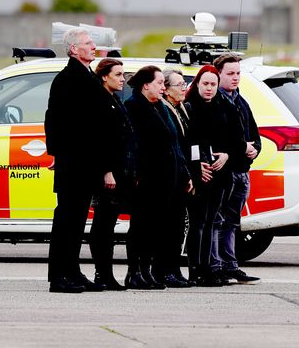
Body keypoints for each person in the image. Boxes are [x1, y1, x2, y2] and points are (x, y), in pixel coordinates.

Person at [44, 28, 110, 294]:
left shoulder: (86, 76)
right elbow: (55, 121)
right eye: (88, 43)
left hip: (85, 163)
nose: (94, 46)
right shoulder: (68, 79)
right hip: (74, 164)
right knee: (67, 222)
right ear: (73, 49)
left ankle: (73, 271)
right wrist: (59, 155)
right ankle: (59, 277)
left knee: (76, 222)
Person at [124, 65, 193, 290]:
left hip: (166, 179)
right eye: (159, 83)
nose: (163, 87)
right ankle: (135, 272)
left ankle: (147, 270)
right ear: (146, 85)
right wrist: (135, 173)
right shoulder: (134, 106)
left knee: (155, 228)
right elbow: (133, 144)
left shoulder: (160, 108)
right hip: (147, 179)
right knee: (141, 228)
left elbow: (174, 144)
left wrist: (183, 173)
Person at [183, 64, 239, 286]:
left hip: (220, 173)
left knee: (211, 221)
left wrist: (227, 155)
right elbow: (188, 141)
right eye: (205, 84)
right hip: (200, 173)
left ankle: (208, 269)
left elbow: (237, 140)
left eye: (213, 85)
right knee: (197, 222)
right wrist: (198, 166)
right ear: (197, 84)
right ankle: (194, 269)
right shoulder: (189, 107)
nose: (209, 89)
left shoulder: (225, 106)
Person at [211, 54, 262, 284]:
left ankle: (230, 265)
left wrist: (255, 149)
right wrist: (243, 147)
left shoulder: (241, 101)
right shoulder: (215, 102)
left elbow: (254, 134)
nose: (235, 78)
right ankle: (216, 266)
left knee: (233, 222)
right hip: (224, 172)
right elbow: (221, 138)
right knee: (217, 220)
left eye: (238, 73)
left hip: (242, 171)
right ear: (218, 73)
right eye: (230, 73)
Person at [89, 58, 138, 291]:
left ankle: (106, 273)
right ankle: (102, 273)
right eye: (118, 75)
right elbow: (100, 140)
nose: (122, 79)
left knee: (108, 224)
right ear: (104, 76)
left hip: (121, 171)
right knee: (103, 226)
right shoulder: (99, 100)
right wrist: (106, 171)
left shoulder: (114, 99)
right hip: (108, 173)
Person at [159, 69, 197, 287]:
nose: (184, 88)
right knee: (169, 226)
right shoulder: (165, 110)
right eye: (179, 85)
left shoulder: (181, 108)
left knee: (178, 225)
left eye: (184, 84)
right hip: (173, 174)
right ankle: (166, 270)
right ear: (166, 89)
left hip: (184, 173)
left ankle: (174, 269)